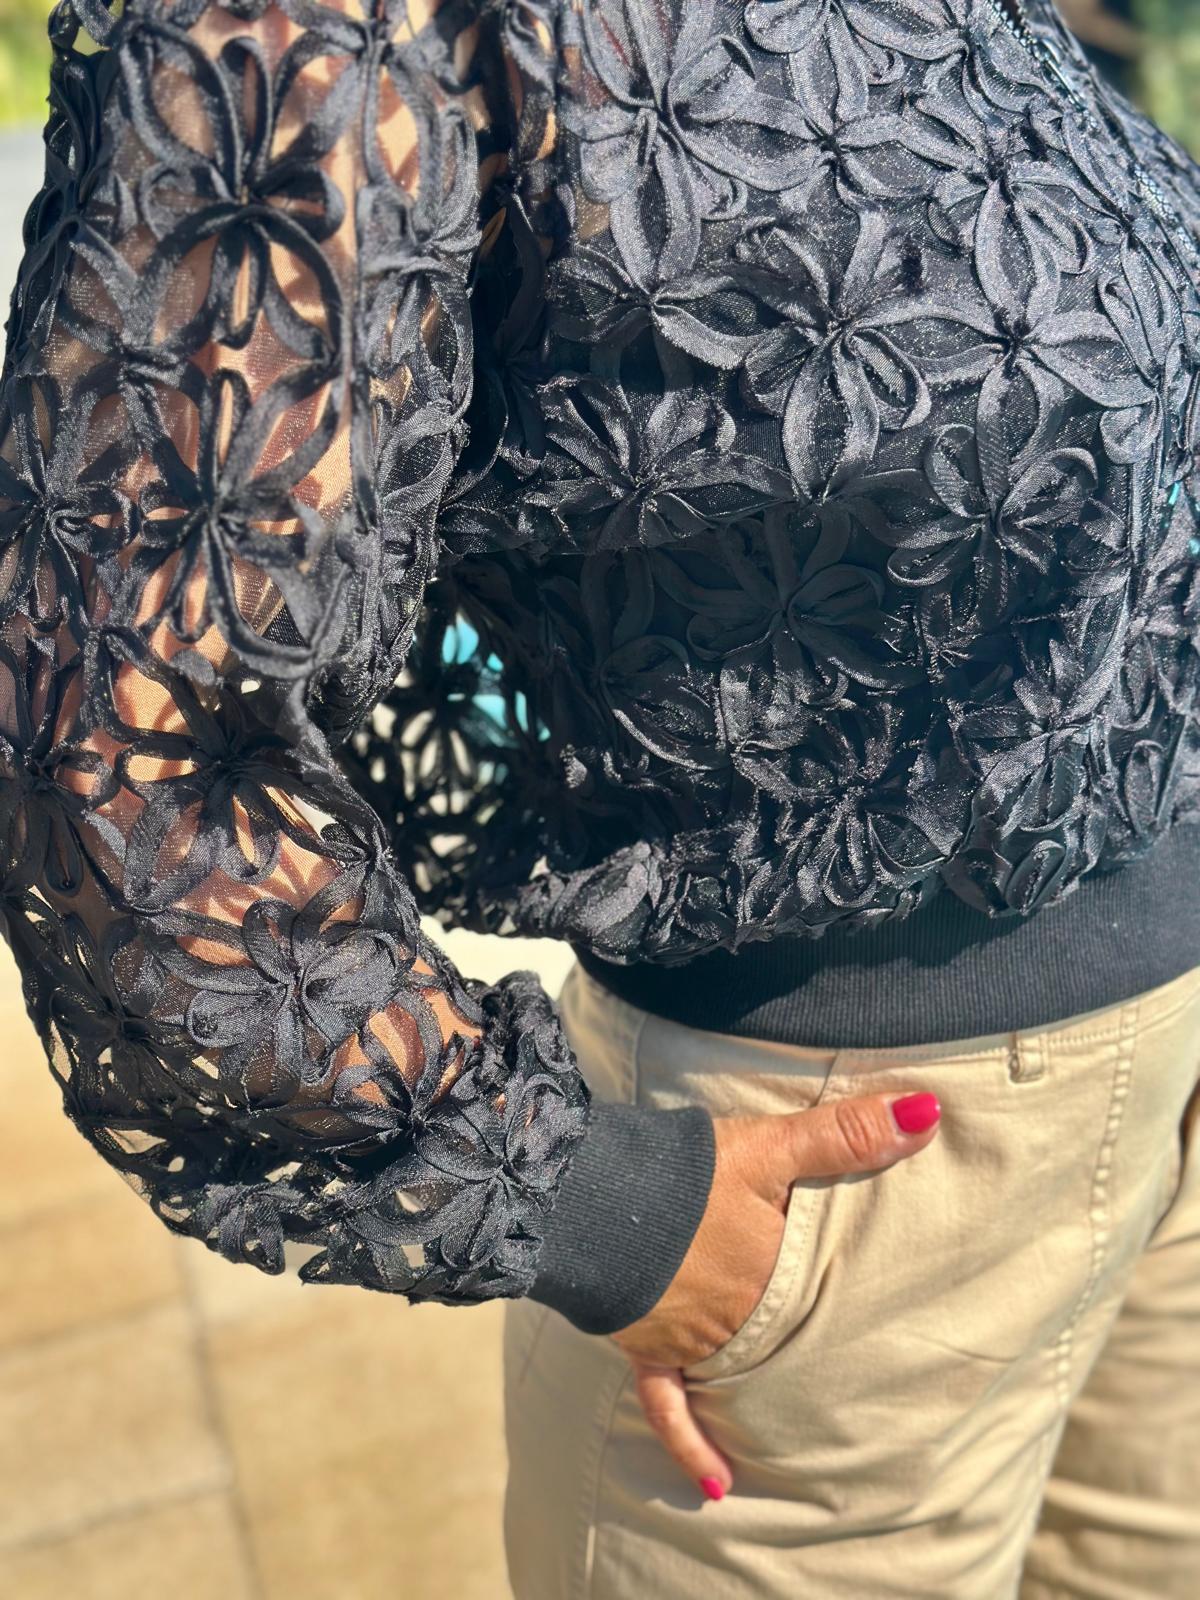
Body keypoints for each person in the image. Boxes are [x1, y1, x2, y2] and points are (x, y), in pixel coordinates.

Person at [1, 0, 1198, 1594]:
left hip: (1159, 1081)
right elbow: (117, 758)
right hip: (844, 1190)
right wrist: (596, 1205)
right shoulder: (329, 35)